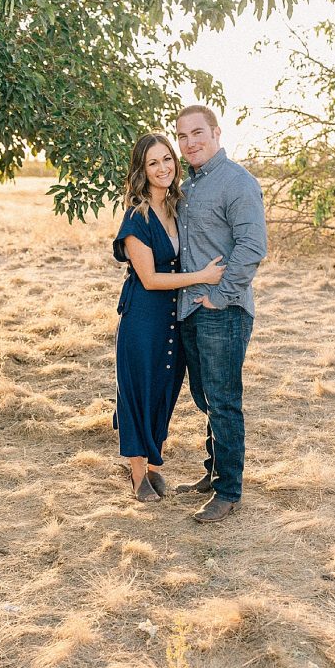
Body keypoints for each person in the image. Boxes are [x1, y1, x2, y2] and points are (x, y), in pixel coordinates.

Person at [112, 132, 225, 502]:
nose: (163, 168)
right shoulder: (137, 217)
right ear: (142, 171)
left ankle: (156, 466)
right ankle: (137, 472)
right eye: (153, 163)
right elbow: (150, 278)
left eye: (167, 159)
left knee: (165, 388)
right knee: (139, 390)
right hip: (143, 316)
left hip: (174, 317)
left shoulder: (177, 206)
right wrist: (203, 278)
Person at [171, 106, 267, 524]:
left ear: (216, 133)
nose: (189, 142)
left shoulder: (238, 182)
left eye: (197, 133)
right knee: (204, 398)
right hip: (189, 309)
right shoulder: (186, 187)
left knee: (224, 401)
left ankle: (229, 491)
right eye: (182, 136)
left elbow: (252, 247)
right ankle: (213, 473)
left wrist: (221, 296)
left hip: (222, 312)